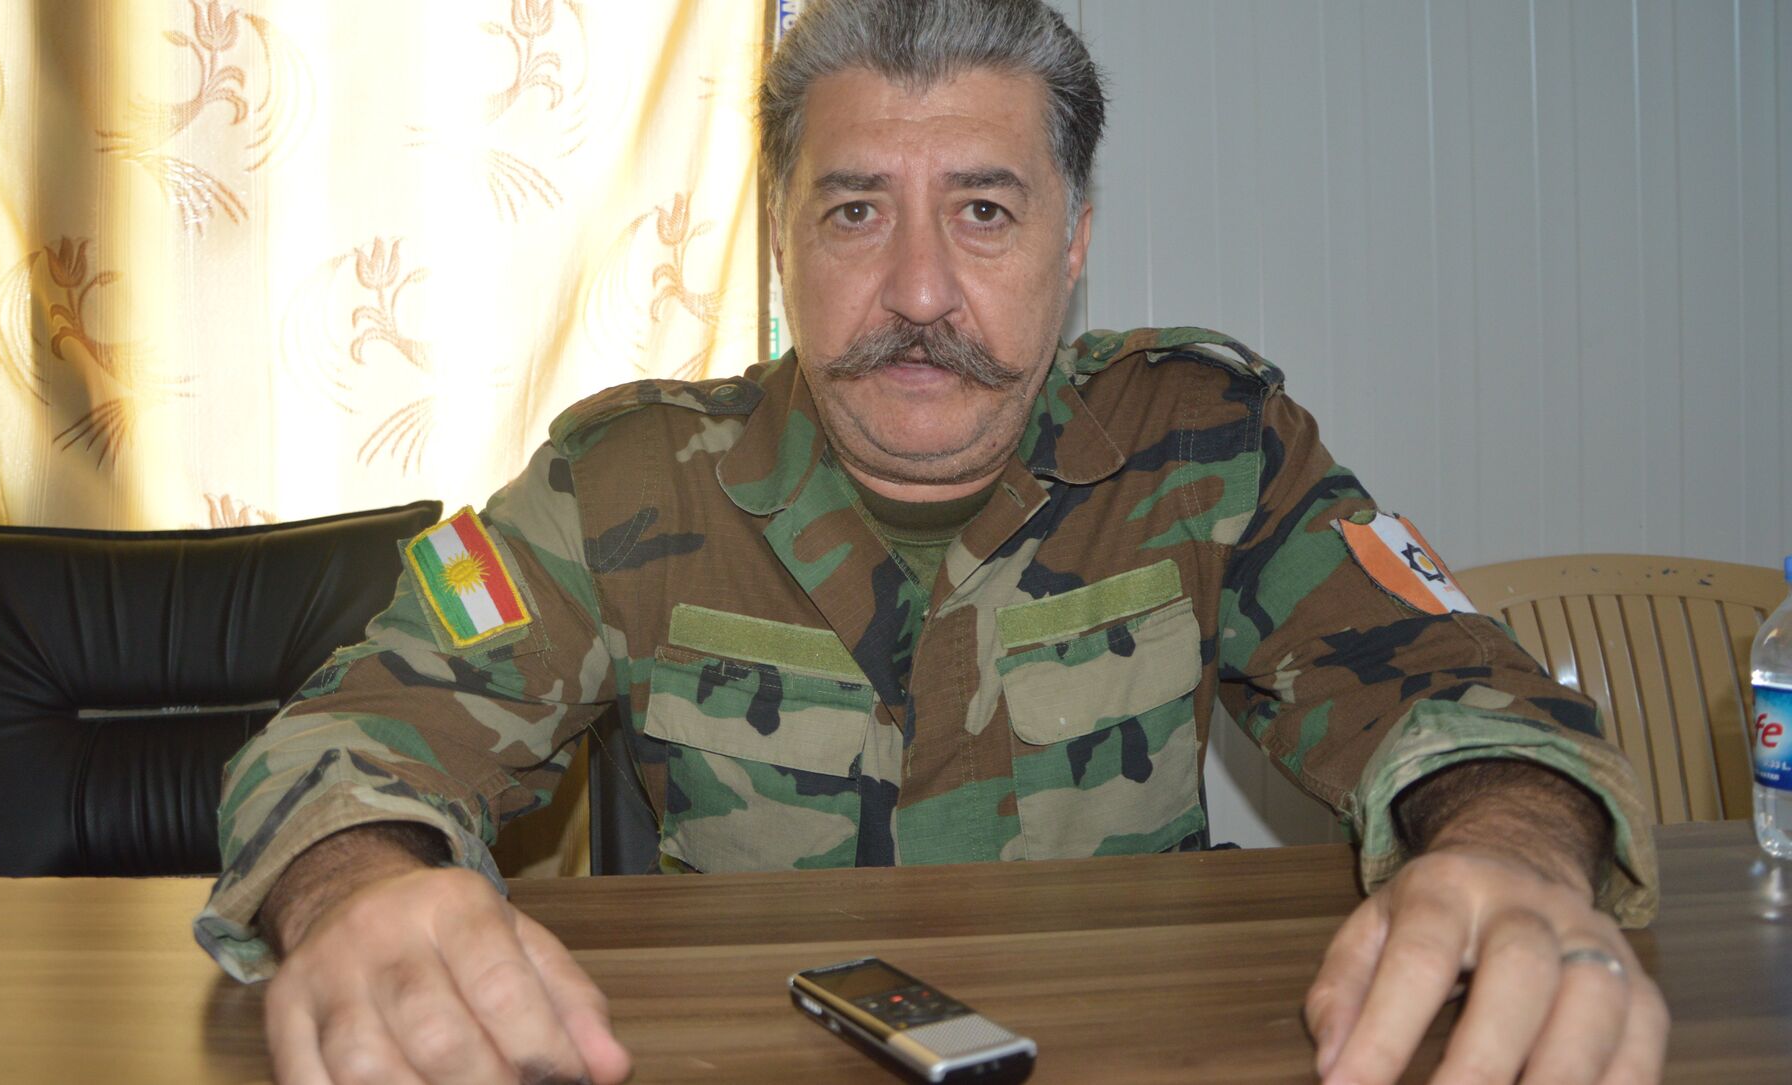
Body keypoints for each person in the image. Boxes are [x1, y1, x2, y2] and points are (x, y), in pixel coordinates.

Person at [195, 2, 1667, 1082]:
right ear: (782, 239)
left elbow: (1463, 688)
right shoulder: (620, 479)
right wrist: (360, 887)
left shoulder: (1209, 446)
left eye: (983, 210)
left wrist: (1516, 851)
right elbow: (348, 735)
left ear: (1072, 242)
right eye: (855, 211)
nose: (916, 291)